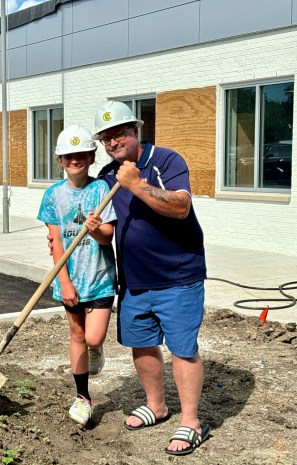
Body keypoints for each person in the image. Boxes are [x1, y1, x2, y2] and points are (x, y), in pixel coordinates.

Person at [91, 101, 210, 456]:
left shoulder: (166, 160)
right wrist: (97, 231)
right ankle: (156, 405)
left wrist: (136, 184)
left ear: (135, 131)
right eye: (106, 138)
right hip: (134, 280)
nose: (113, 142)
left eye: (119, 133)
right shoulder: (105, 178)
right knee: (141, 344)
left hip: (177, 276)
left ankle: (191, 422)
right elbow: (109, 235)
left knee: (183, 349)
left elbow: (181, 206)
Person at [37, 124, 117, 427]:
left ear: (91, 156)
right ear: (60, 160)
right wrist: (64, 282)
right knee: (77, 336)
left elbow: (108, 237)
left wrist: (96, 229)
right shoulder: (52, 196)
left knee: (93, 337)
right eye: (69, 156)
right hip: (71, 279)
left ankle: (97, 350)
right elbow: (55, 241)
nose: (75, 160)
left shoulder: (102, 191)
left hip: (101, 277)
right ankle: (83, 397)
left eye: (81, 154)